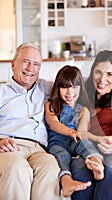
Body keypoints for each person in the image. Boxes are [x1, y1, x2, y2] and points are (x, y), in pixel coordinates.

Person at [70, 50, 112, 200]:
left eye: (109, 74)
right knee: (79, 167)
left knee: (111, 167)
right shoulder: (81, 95)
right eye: (98, 72)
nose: (102, 79)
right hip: (88, 148)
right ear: (92, 72)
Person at [0, 43, 60, 199]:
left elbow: (81, 83)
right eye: (26, 61)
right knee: (18, 168)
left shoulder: (47, 87)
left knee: (51, 167)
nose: (30, 68)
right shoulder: (1, 92)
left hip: (40, 149)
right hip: (10, 146)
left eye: (36, 64)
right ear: (13, 64)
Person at [45, 65, 112, 197]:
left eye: (74, 87)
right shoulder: (51, 105)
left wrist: (99, 139)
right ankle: (66, 181)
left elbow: (82, 133)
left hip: (75, 140)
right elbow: (53, 124)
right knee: (62, 155)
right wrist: (72, 132)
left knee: (85, 143)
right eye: (64, 87)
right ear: (57, 88)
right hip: (56, 142)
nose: (70, 92)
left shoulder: (84, 109)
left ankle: (97, 166)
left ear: (81, 88)